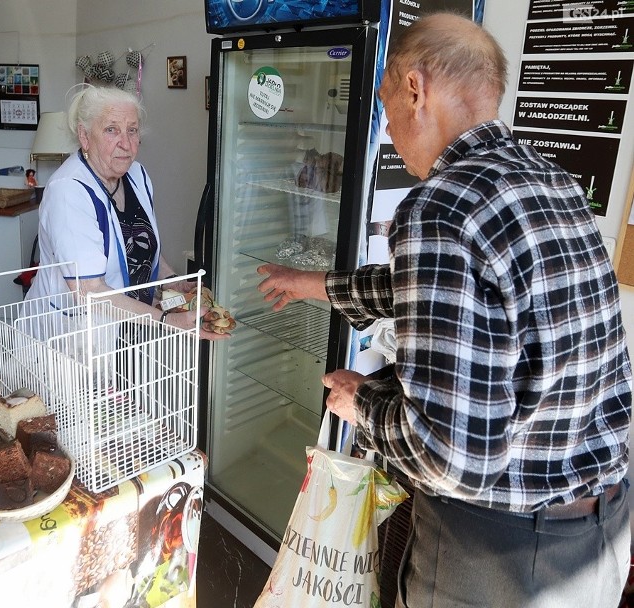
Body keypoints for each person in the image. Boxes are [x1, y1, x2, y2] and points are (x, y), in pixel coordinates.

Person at [257, 13, 631, 608]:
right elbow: (458, 296)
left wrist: (363, 403)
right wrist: (316, 284)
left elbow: (452, 459)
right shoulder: (549, 179)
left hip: (498, 556)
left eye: (384, 104)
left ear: (415, 89)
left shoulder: (441, 205)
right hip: (600, 534)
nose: (386, 129)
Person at [26, 85, 223, 340]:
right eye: (111, 130)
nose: (126, 143)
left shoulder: (137, 175)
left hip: (129, 332)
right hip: (70, 340)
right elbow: (89, 291)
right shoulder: (69, 191)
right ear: (85, 136)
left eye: (132, 130)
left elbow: (139, 243)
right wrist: (168, 320)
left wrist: (170, 279)